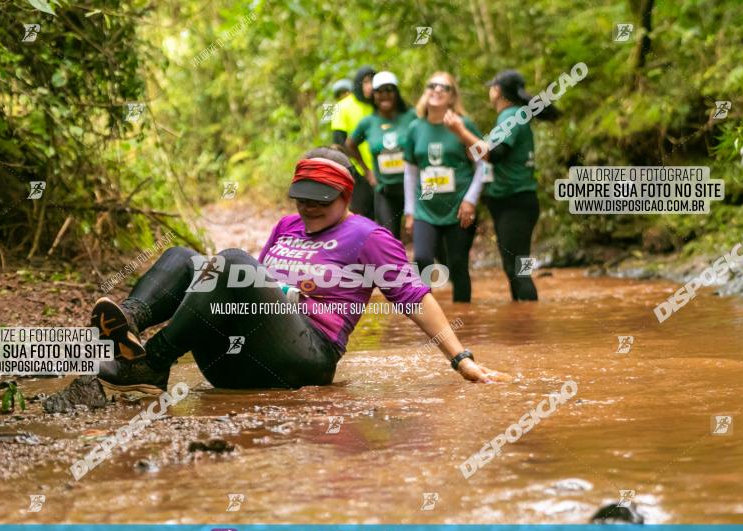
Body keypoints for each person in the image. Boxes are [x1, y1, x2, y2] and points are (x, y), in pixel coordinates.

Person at [45, 148, 507, 411]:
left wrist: (460, 357)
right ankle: (129, 323)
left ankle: (154, 363)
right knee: (186, 258)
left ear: (345, 196)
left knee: (227, 261)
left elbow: (414, 296)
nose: (307, 208)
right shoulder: (286, 226)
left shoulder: (369, 237)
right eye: (302, 197)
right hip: (231, 361)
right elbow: (251, 282)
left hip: (303, 357)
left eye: (320, 200)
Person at [449, 70, 559, 301]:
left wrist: (460, 131)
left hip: (515, 202)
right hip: (513, 202)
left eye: (492, 87)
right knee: (515, 269)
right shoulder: (516, 115)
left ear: (497, 91)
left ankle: (529, 326)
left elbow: (495, 154)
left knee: (519, 269)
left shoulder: (511, 115)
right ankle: (522, 328)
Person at [403, 71, 486, 303]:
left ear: (452, 97)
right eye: (432, 85)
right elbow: (410, 173)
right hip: (424, 208)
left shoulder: (463, 125)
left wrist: (471, 200)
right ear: (425, 92)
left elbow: (482, 165)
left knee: (458, 264)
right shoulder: (415, 128)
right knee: (422, 259)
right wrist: (409, 211)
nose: (437, 90)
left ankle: (464, 321)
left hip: (459, 206)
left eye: (444, 87)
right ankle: (426, 317)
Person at [345, 71, 415, 240]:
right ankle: (395, 267)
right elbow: (350, 145)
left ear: (396, 93)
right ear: (373, 95)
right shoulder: (368, 123)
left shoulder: (411, 116)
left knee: (425, 243)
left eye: (389, 90)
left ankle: (439, 267)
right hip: (385, 190)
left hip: (414, 189)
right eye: (379, 91)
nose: (385, 95)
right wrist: (367, 171)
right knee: (388, 240)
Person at [331, 66, 376, 220]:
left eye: (373, 81)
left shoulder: (379, 105)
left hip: (381, 170)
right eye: (366, 82)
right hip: (357, 170)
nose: (370, 86)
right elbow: (338, 141)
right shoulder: (342, 106)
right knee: (360, 216)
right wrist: (351, 171)